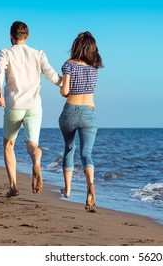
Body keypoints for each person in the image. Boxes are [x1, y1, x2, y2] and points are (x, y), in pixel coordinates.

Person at [0, 21, 62, 198]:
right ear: (27, 36)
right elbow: (50, 73)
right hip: (34, 106)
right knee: (32, 145)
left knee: (9, 144)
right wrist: (64, 85)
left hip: (15, 105)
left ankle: (13, 187)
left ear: (11, 36)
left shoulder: (5, 52)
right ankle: (36, 161)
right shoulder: (38, 53)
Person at [58, 31, 103, 212]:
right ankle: (90, 185)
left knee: (69, 148)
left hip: (70, 112)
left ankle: (68, 190)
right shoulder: (94, 69)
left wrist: (62, 85)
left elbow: (65, 91)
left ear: (76, 46)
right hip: (88, 113)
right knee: (86, 153)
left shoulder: (69, 65)